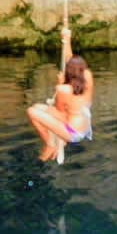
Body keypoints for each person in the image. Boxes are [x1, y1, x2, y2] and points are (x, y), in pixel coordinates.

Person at [27, 27, 94, 162]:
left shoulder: (64, 89)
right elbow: (69, 60)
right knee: (38, 107)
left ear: (68, 72)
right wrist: (66, 39)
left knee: (31, 111)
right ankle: (56, 139)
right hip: (83, 124)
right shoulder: (88, 77)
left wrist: (59, 85)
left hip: (72, 132)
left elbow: (59, 110)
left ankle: (50, 144)